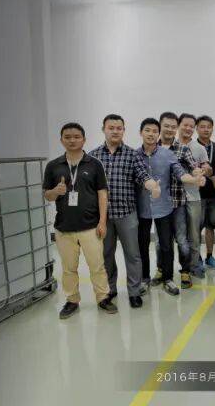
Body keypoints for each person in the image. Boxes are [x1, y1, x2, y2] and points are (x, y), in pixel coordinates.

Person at [88, 114, 163, 309]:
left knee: (133, 254)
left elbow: (143, 176)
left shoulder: (132, 155)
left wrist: (153, 186)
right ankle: (110, 289)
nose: (115, 131)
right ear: (103, 129)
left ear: (123, 130)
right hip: (102, 216)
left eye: (119, 128)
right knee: (106, 254)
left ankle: (134, 292)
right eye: (111, 127)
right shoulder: (93, 156)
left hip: (127, 214)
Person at [44, 123, 118, 318]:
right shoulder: (53, 166)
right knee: (68, 269)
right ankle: (72, 300)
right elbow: (47, 195)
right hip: (64, 228)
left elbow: (102, 194)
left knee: (97, 266)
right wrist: (55, 191)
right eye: (67, 137)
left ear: (84, 139)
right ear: (61, 140)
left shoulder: (94, 164)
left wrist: (102, 222)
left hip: (90, 227)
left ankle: (103, 298)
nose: (72, 140)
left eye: (76, 136)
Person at [136, 118, 198, 296]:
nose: (151, 134)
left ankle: (168, 279)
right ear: (141, 132)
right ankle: (144, 279)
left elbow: (180, 174)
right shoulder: (134, 155)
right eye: (147, 130)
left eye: (154, 131)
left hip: (164, 207)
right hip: (142, 208)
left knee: (166, 244)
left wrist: (194, 179)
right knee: (142, 245)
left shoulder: (168, 154)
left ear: (158, 134)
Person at [157, 112, 205, 289]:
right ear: (160, 126)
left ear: (175, 128)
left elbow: (194, 167)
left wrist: (198, 174)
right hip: (158, 204)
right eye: (166, 126)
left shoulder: (182, 149)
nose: (169, 129)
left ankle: (185, 271)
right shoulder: (153, 148)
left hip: (178, 202)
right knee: (160, 242)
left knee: (182, 240)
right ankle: (161, 270)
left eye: (172, 126)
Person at [178, 113, 212, 280]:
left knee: (194, 235)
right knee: (175, 236)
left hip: (193, 197)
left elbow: (207, 169)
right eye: (185, 125)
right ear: (179, 125)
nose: (188, 128)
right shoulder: (171, 146)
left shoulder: (199, 148)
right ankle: (173, 267)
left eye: (191, 126)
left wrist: (205, 170)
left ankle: (194, 266)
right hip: (174, 198)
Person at [196, 115, 215, 271]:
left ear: (212, 129)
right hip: (196, 195)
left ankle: (209, 256)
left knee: (211, 227)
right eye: (202, 126)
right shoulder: (191, 146)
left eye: (209, 127)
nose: (206, 129)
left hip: (213, 194)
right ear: (197, 128)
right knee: (196, 228)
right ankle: (197, 258)